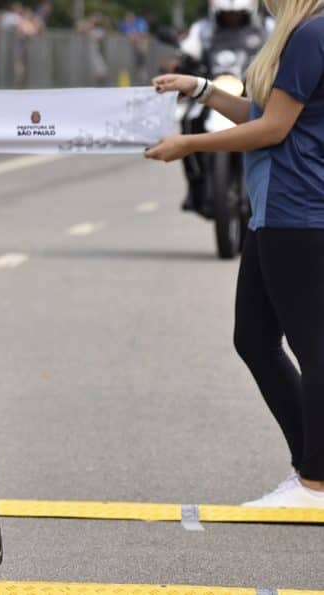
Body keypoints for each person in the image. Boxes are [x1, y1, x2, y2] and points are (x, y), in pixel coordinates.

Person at [148, 0, 324, 508]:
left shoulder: (311, 35)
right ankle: (310, 467)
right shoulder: (298, 32)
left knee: (312, 348)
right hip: (273, 212)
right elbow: (262, 115)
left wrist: (191, 144)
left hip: (299, 212)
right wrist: (201, 89)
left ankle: (316, 482)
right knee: (254, 338)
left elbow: (274, 130)